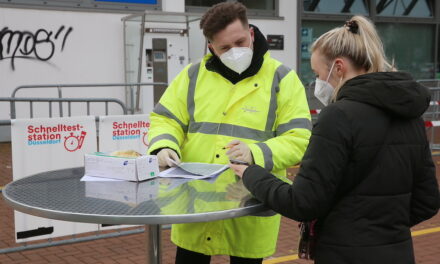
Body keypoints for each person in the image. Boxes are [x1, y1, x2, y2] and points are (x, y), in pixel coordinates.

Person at [230, 15, 440, 264]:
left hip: (343, 253)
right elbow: (427, 201)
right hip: (398, 253)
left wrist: (251, 174)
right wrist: (382, 230)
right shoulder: (410, 116)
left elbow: (303, 202)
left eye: (319, 73)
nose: (317, 83)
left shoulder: (338, 116)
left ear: (338, 68)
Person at [147, 2, 312, 263]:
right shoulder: (192, 76)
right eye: (225, 47)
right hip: (195, 206)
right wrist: (163, 146)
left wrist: (256, 153)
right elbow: (166, 119)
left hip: (250, 203)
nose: (235, 51)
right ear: (211, 47)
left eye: (240, 41)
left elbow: (299, 139)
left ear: (252, 34)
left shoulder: (283, 79)